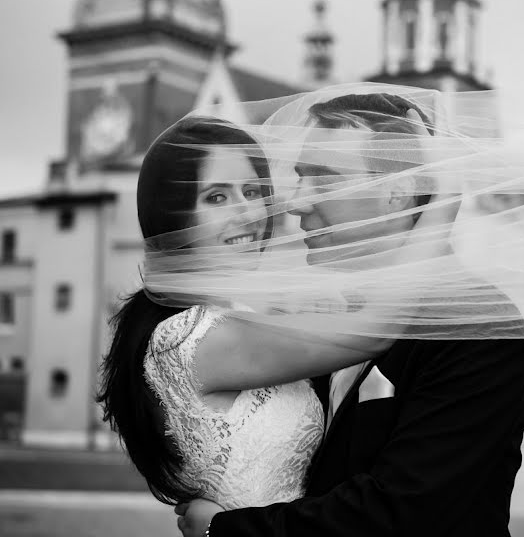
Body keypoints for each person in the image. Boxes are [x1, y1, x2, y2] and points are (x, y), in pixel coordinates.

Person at [175, 93, 524, 537]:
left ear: (396, 190)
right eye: (300, 177)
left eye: (322, 180)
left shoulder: (478, 322)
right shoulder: (334, 322)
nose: (295, 203)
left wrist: (226, 530)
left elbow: (405, 513)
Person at [97, 116, 415, 508]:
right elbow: (376, 333)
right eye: (217, 197)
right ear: (173, 217)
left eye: (252, 191)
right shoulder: (190, 338)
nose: (248, 213)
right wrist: (441, 204)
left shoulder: (239, 320)